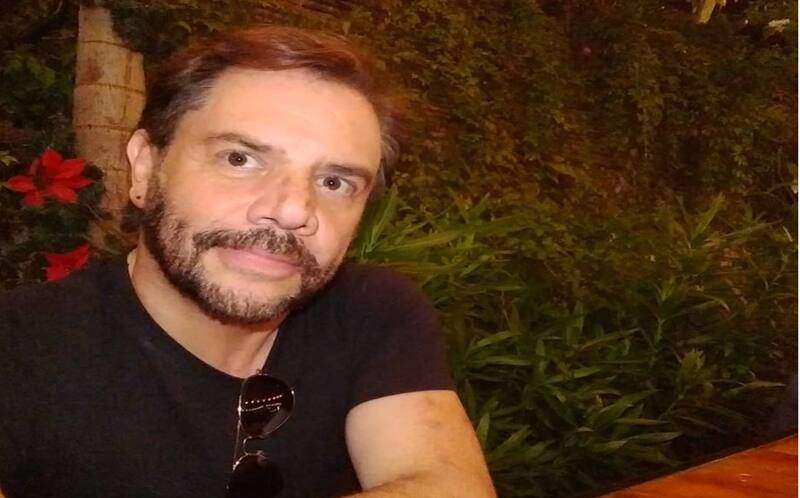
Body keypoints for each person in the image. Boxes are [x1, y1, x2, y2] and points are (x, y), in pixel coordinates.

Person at [0, 26, 496, 498]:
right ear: (146, 168)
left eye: (334, 182)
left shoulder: (370, 314)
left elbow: (448, 484)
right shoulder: (22, 349)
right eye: (240, 159)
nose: (294, 209)